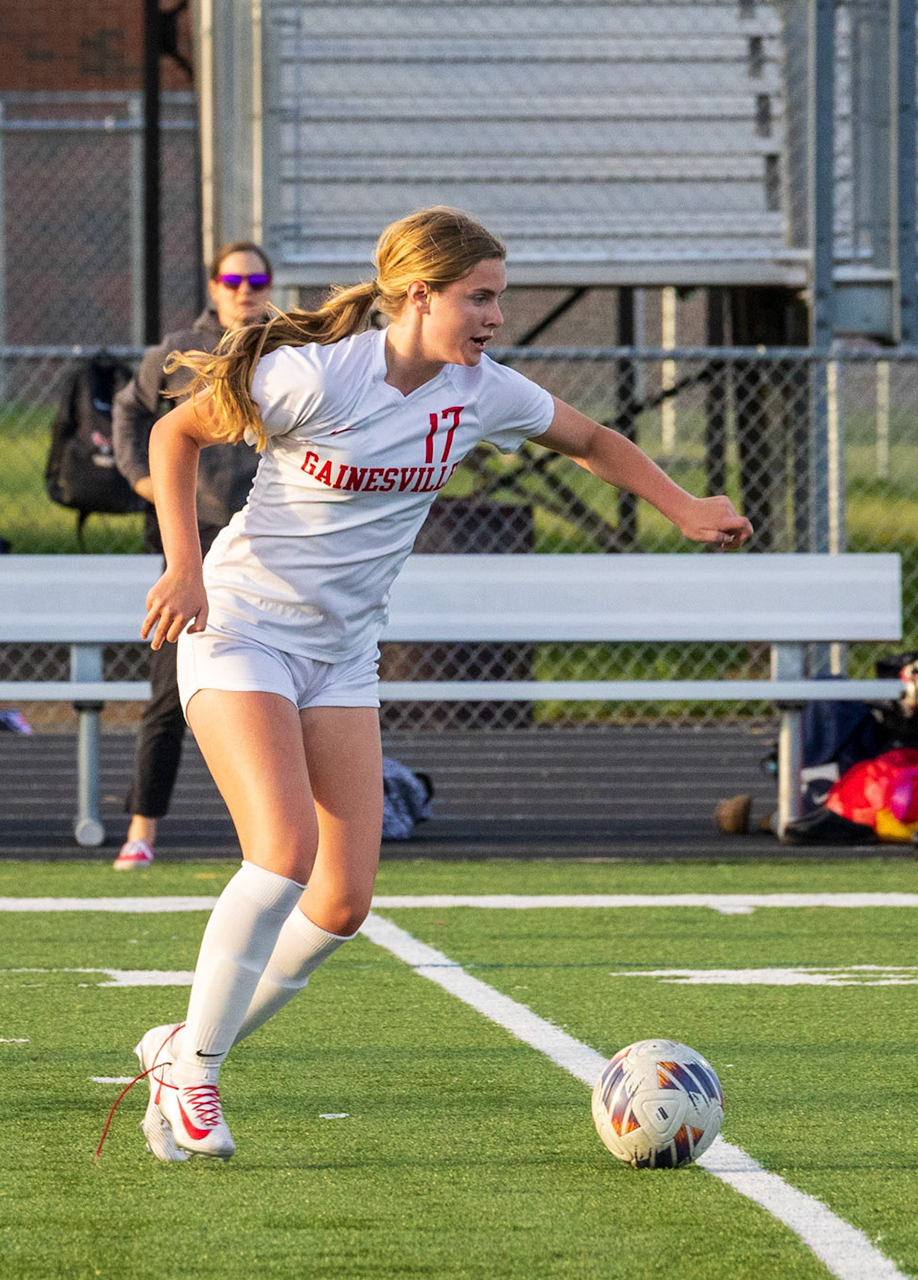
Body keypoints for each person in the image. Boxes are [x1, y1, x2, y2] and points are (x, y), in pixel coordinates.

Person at [125, 207, 752, 1162]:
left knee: (341, 905)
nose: (497, 316)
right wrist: (184, 566)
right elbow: (176, 434)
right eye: (480, 297)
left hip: (342, 656)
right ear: (418, 296)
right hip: (241, 631)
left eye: (500, 298)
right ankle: (198, 1073)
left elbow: (592, 440)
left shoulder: (481, 391)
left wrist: (684, 506)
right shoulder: (317, 374)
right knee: (283, 852)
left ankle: (183, 1049)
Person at [109, 243, 274, 871]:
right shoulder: (180, 351)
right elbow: (130, 411)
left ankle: (286, 835)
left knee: (288, 685)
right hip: (194, 540)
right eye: (233, 279)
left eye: (256, 278)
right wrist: (142, 478)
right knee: (169, 688)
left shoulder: (289, 347)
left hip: (268, 539)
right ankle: (141, 827)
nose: (244, 289)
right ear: (213, 286)